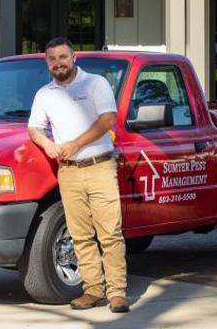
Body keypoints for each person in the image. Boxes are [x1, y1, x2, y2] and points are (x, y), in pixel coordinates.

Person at [28, 37, 129, 313]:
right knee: (80, 235)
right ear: (47, 62)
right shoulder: (44, 94)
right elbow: (34, 128)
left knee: (110, 232)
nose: (58, 63)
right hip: (69, 172)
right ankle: (93, 290)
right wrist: (48, 145)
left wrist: (75, 144)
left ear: (74, 58)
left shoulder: (95, 83)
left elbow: (108, 119)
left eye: (63, 57)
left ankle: (117, 292)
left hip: (99, 167)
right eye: (52, 58)